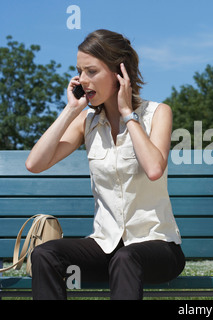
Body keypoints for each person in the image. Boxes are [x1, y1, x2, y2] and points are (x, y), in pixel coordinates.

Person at [25, 29, 185, 300]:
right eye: (79, 72)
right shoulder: (86, 122)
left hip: (157, 248)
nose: (83, 80)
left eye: (92, 71)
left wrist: (127, 114)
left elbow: (154, 169)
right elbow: (34, 163)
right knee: (45, 254)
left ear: (119, 72)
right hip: (105, 247)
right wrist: (71, 110)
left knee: (126, 258)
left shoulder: (157, 113)